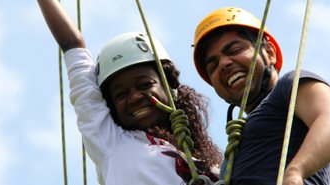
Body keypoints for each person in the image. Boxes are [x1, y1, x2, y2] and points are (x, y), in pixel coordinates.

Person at [37, 0, 222, 184]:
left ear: (170, 86)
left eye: (144, 85)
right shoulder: (111, 142)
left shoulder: (214, 168)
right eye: (120, 94)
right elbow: (72, 45)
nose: (134, 97)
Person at [192, 6, 330, 185]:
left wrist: (295, 172)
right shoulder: (234, 154)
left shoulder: (289, 85)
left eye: (235, 50)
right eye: (213, 65)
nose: (223, 64)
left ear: (269, 52)